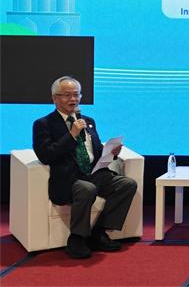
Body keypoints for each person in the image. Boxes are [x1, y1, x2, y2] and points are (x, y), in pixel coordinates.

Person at [32, 76, 137, 259]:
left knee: (127, 184)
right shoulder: (44, 124)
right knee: (87, 188)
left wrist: (111, 152)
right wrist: (72, 135)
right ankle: (77, 238)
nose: (73, 99)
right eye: (67, 95)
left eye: (76, 94)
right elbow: (46, 155)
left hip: (94, 173)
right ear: (55, 98)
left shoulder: (88, 121)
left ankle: (99, 233)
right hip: (68, 179)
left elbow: (95, 151)